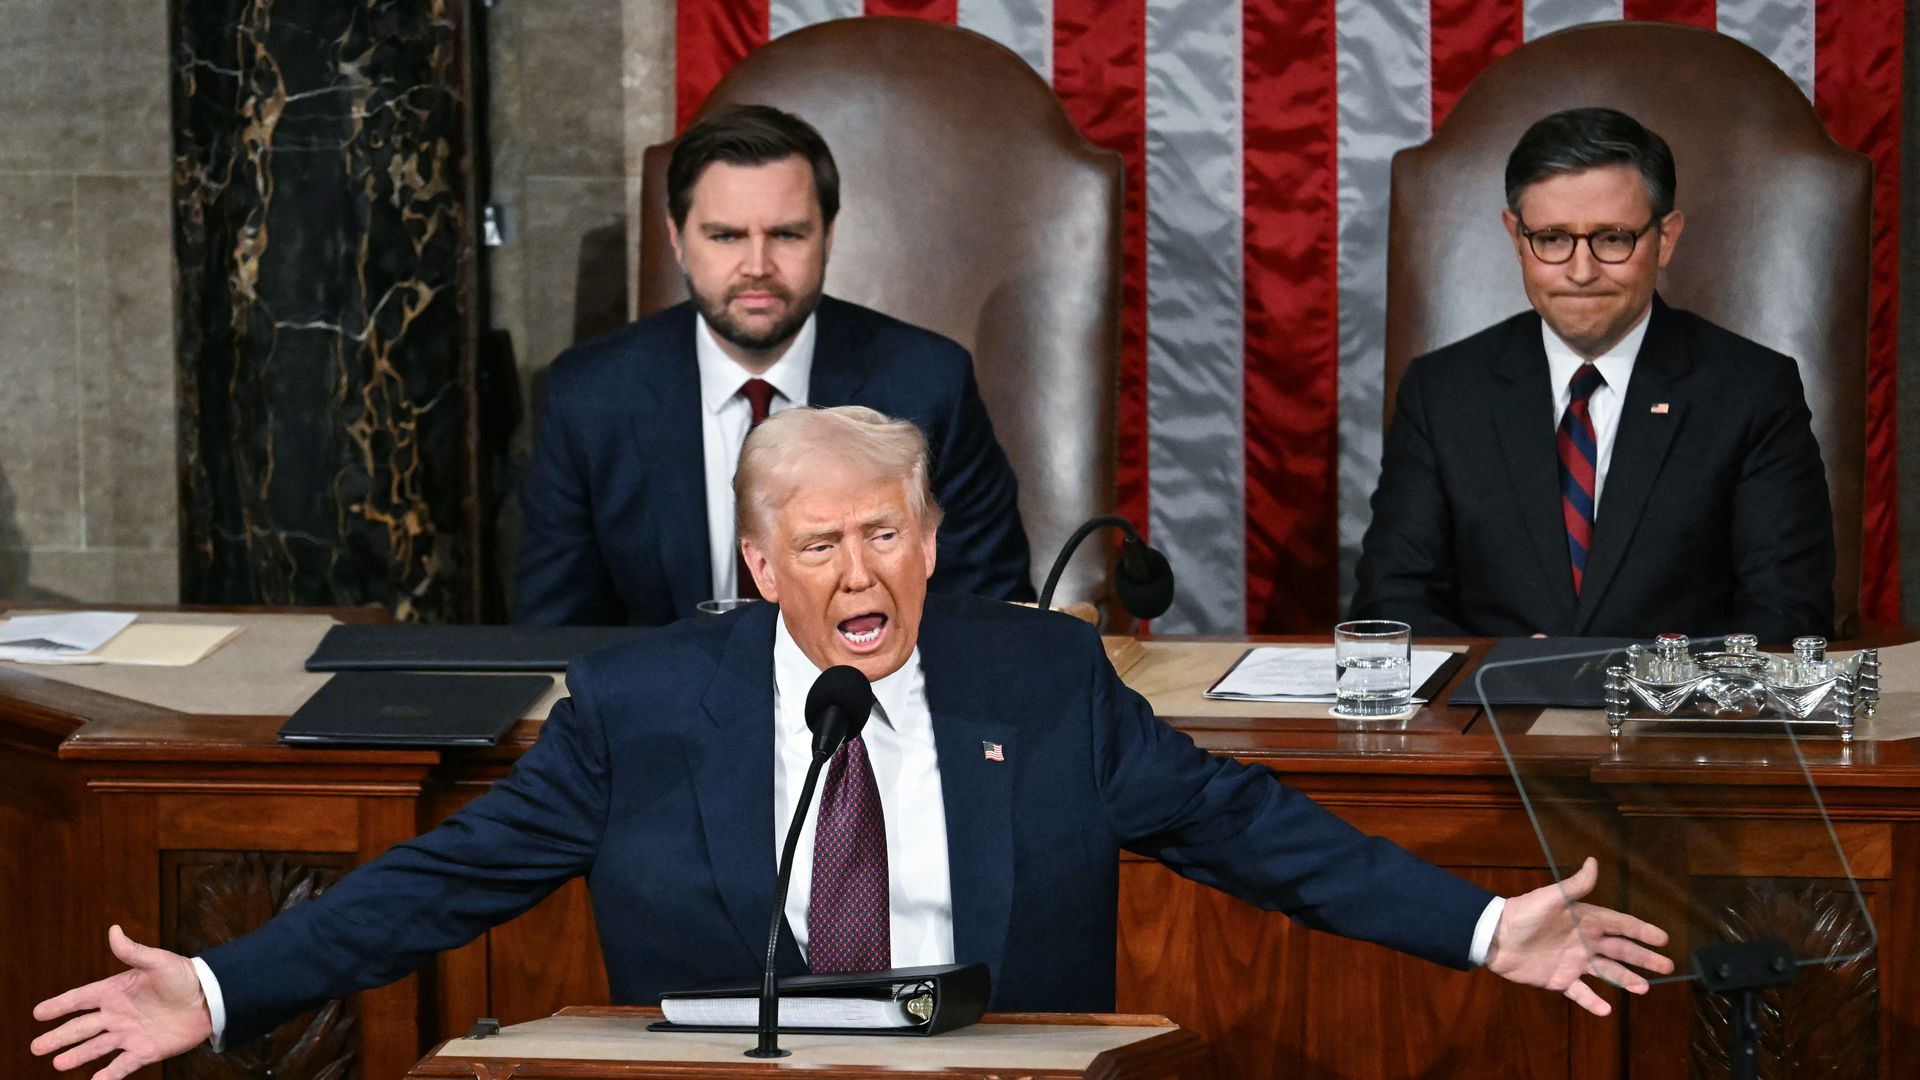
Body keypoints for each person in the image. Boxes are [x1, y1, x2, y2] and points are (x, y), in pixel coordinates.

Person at [33, 406, 1671, 1077]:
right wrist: (223, 983)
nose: (858, 575)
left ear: (929, 541)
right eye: (816, 548)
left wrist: (1485, 927)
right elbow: (445, 883)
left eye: (883, 536)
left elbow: (1258, 835)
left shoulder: (1040, 685)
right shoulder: (647, 705)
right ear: (760, 567)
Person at [513, 103, 1034, 626]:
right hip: (661, 701)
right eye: (725, 236)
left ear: (827, 237)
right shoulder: (588, 396)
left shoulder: (928, 384)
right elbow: (554, 633)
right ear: (677, 238)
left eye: (786, 235)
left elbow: (990, 612)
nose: (757, 267)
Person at [1351, 107, 1834, 642]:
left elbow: (1789, 615)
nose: (1581, 272)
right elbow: (1391, 604)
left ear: (1665, 238)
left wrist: (1628, 681)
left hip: (1676, 719)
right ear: (1516, 237)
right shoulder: (1442, 392)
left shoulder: (1752, 391)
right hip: (1489, 717)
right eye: (1553, 239)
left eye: (1612, 238)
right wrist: (1507, 672)